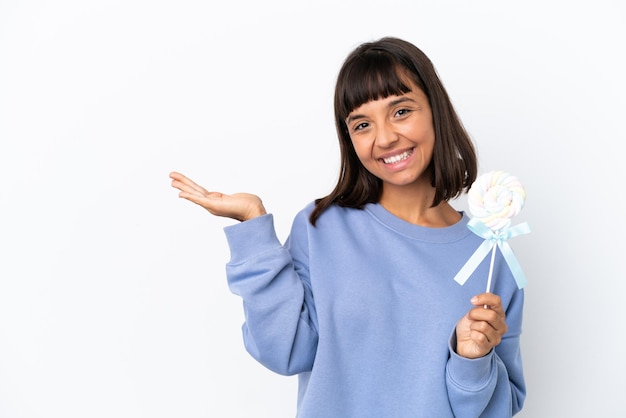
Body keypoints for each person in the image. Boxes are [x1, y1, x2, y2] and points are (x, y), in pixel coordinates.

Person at [170, 36, 525, 417]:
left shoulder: (491, 255)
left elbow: (498, 409)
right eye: (362, 124)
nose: (385, 137)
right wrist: (254, 229)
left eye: (401, 111)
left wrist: (473, 360)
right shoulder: (321, 228)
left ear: (435, 110)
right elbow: (285, 350)